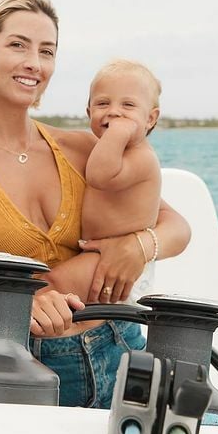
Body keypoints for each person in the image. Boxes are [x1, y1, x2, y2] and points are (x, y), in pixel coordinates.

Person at [0, 0, 191, 407]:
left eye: (46, 50)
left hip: (120, 345)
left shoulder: (84, 149)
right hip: (24, 366)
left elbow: (176, 227)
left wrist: (140, 246)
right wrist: (30, 301)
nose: (34, 62)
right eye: (18, 44)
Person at [67, 59, 164, 303]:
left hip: (116, 260)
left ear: (150, 119)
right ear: (89, 112)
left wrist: (119, 130)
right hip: (103, 253)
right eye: (102, 103)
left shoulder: (143, 157)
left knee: (53, 284)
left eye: (128, 105)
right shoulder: (109, 151)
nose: (113, 111)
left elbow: (99, 176)